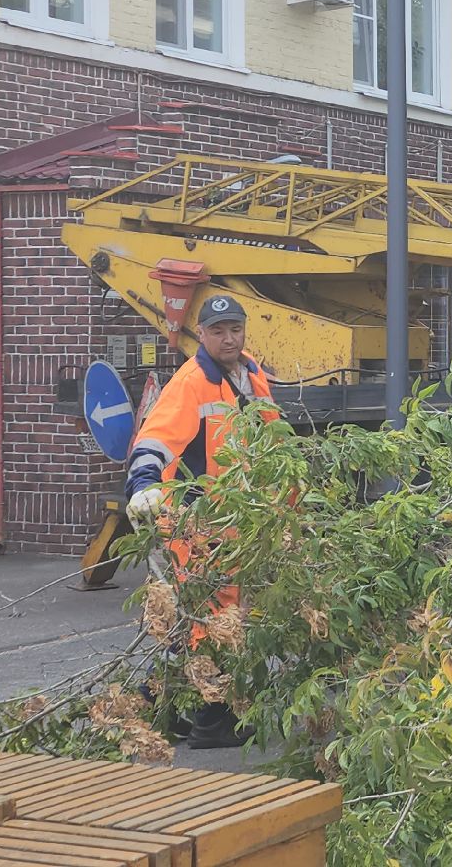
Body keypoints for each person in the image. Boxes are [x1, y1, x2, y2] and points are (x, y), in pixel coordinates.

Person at [124, 294, 279, 749]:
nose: (229, 338)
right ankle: (213, 722)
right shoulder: (191, 383)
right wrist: (143, 485)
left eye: (235, 328)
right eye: (218, 331)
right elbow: (155, 440)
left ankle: (162, 712)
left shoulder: (250, 373)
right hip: (200, 528)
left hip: (239, 525)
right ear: (203, 335)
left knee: (196, 625)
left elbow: (270, 442)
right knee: (209, 625)